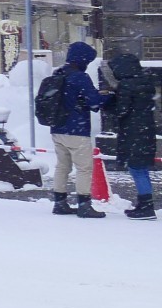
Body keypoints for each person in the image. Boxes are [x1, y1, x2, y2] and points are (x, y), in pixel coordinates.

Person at [46, 41, 109, 218]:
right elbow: (94, 102)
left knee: (62, 166)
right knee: (84, 168)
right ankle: (84, 204)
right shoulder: (80, 77)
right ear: (83, 59)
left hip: (57, 128)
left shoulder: (59, 73)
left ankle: (59, 202)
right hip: (76, 130)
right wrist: (108, 96)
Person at [107, 52, 157, 220]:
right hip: (146, 131)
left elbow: (121, 110)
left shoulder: (127, 85)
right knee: (142, 169)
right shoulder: (146, 82)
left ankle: (146, 206)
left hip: (133, 133)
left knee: (136, 169)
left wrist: (110, 101)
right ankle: (145, 204)